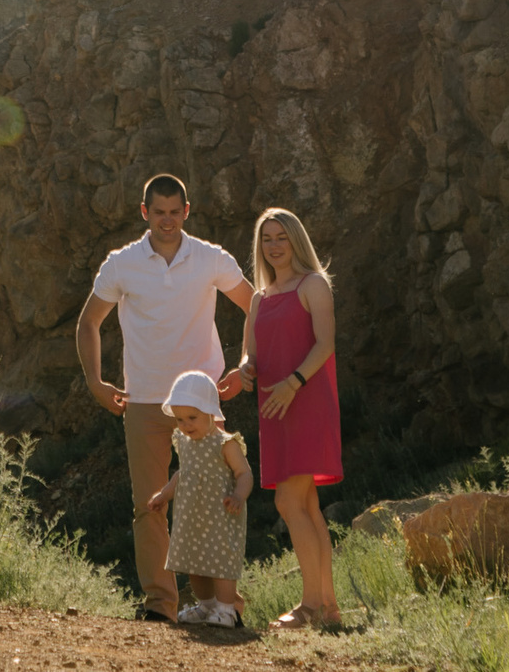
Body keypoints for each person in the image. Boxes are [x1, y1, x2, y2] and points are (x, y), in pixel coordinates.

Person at [76, 172, 252, 624]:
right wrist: (96, 382)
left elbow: (257, 306)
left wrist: (245, 365)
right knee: (149, 504)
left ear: (186, 212)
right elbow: (88, 322)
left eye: (176, 212)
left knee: (210, 502)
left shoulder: (211, 258)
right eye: (159, 213)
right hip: (144, 400)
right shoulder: (121, 263)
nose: (168, 221)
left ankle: (218, 607)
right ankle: (160, 607)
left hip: (201, 403)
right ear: (144, 213)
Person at [238, 206, 341, 630]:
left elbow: (325, 344)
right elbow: (250, 352)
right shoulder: (259, 298)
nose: (274, 246)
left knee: (287, 501)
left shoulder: (313, 285)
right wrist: (245, 369)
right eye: (267, 239)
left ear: (296, 240)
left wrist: (293, 382)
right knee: (308, 507)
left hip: (306, 400)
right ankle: (329, 609)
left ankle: (310, 607)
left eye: (281, 237)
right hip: (273, 409)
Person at [144, 371, 251, 628]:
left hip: (221, 516)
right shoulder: (184, 441)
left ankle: (228, 610)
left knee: (221, 562)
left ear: (211, 412)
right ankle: (207, 606)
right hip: (192, 516)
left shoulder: (225, 443)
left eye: (192, 417)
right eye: (180, 419)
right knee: (194, 563)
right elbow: (184, 473)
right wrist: (165, 493)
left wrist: (238, 495)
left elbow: (244, 473)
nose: (186, 424)